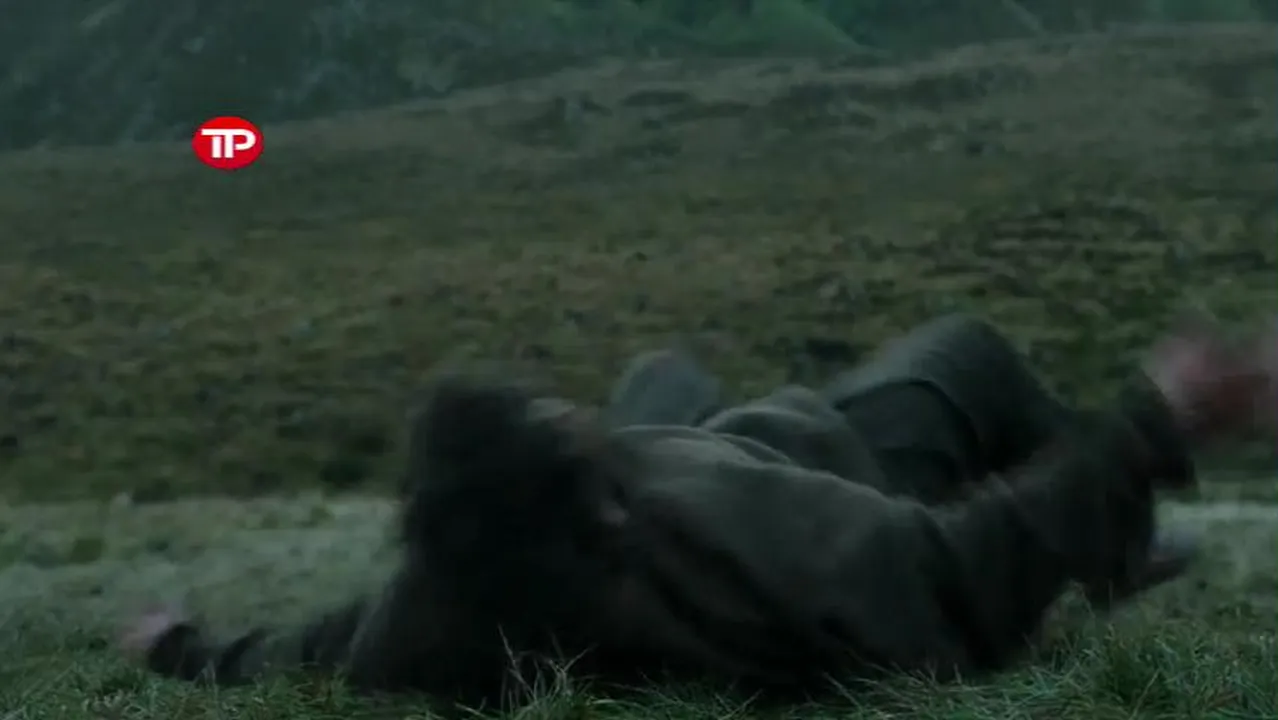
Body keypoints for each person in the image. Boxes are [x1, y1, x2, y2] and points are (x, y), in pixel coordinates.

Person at [120, 313, 1277, 705]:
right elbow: (958, 573)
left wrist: (180, 647)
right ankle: (1115, 556)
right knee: (959, 359)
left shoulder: (444, 612)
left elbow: (306, 651)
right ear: (605, 508)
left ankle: (687, 399)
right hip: (827, 464)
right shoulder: (749, 543)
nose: (567, 411)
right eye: (558, 425)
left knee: (660, 376)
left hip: (720, 449)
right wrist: (1153, 423)